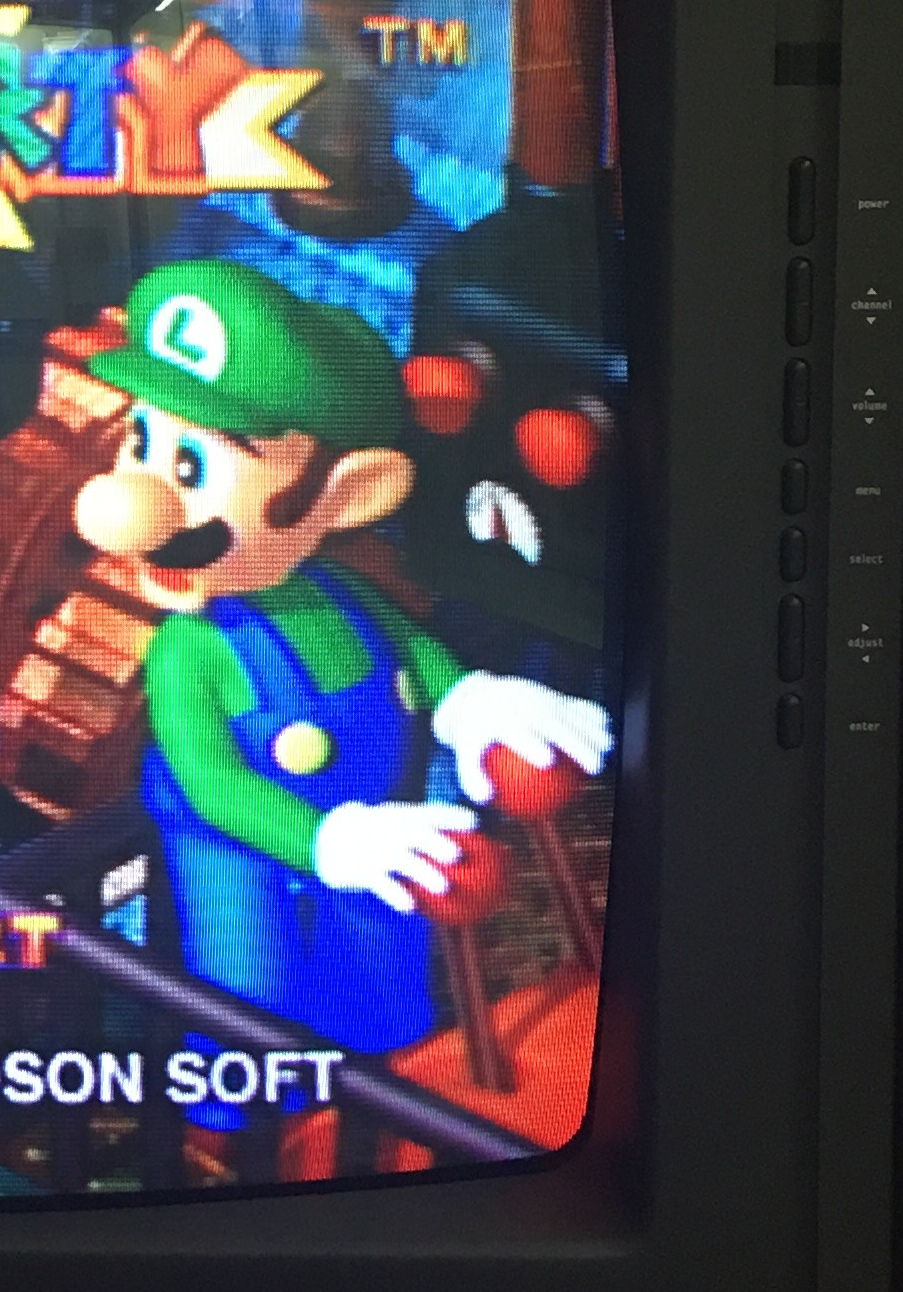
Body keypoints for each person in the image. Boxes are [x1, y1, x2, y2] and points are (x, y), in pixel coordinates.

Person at [72, 259, 611, 1062]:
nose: (129, 509)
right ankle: (239, 1119)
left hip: (382, 825)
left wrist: (471, 702)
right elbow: (213, 783)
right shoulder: (189, 648)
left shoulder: (341, 596)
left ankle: (370, 1101)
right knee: (246, 1001)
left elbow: (415, 656)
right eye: (140, 443)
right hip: (240, 846)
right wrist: (326, 843)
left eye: (190, 469)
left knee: (382, 998)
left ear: (349, 496)